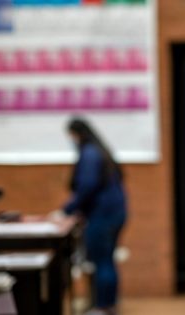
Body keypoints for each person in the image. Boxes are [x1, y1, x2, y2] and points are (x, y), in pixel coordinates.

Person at [61, 117, 127, 315]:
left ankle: (102, 307)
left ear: (77, 134)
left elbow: (87, 187)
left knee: (102, 260)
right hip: (114, 213)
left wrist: (67, 210)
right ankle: (109, 304)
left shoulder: (89, 154)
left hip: (103, 215)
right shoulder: (100, 151)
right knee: (107, 259)